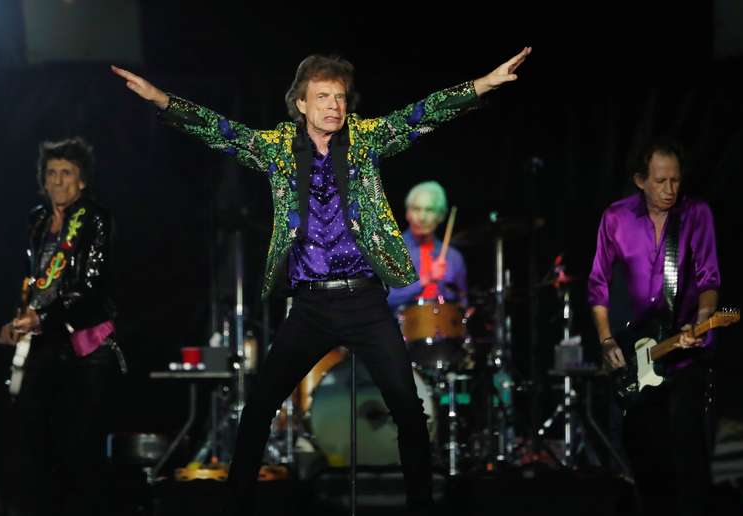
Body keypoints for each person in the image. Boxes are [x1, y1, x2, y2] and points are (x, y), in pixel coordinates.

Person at [112, 46, 531, 515]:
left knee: (410, 411)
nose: (335, 105)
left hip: (367, 301)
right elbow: (221, 131)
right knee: (259, 407)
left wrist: (482, 85)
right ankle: (239, 504)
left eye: (340, 96)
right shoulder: (277, 148)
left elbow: (421, 114)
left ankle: (420, 506)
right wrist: (162, 100)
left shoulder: (367, 139)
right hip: (310, 306)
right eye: (323, 96)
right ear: (302, 104)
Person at [587, 142, 720, 516]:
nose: (669, 189)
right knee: (644, 455)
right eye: (660, 181)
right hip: (635, 345)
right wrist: (606, 338)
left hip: (684, 348)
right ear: (640, 181)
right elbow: (597, 284)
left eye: (675, 180)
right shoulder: (615, 217)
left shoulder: (696, 214)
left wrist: (703, 317)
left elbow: (709, 277)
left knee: (688, 450)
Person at [0, 137, 124, 516]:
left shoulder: (95, 219)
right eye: (51, 173)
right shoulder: (37, 220)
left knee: (80, 452)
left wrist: (42, 316)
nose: (58, 181)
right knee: (36, 447)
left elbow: (89, 286)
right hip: (44, 345)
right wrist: (18, 320)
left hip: (85, 348)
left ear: (81, 180)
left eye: (66, 173)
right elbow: (33, 280)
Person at [387, 180, 467, 310]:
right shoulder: (392, 249)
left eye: (429, 210)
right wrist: (426, 279)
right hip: (400, 327)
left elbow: (462, 301)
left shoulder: (454, 257)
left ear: (441, 216)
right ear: (407, 213)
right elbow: (384, 298)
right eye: (416, 209)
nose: (422, 217)